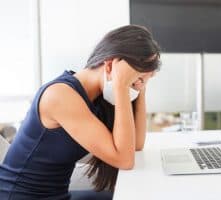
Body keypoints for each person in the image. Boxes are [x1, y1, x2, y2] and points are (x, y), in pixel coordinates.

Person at [0, 25, 161, 199]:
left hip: (58, 195)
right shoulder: (60, 96)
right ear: (109, 67)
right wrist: (121, 86)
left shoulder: (99, 99)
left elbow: (136, 144)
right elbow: (125, 160)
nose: (137, 87)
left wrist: (141, 87)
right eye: (135, 80)